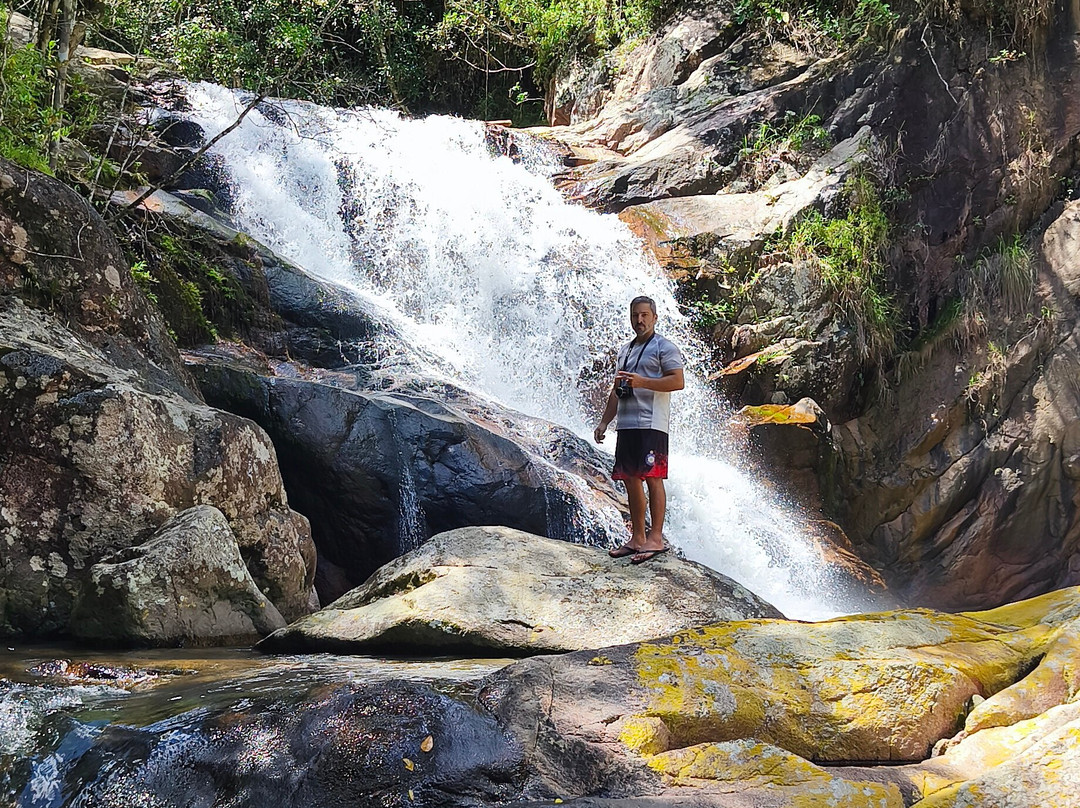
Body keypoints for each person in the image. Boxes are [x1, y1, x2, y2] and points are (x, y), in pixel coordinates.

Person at [593, 296, 685, 563]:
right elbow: (617, 390)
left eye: (644, 315)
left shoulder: (664, 347)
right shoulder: (625, 350)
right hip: (627, 424)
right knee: (631, 479)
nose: (639, 320)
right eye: (635, 315)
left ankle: (655, 538)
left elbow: (677, 381)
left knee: (653, 477)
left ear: (655, 317)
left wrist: (643, 381)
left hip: (652, 423)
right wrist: (604, 422)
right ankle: (637, 539)